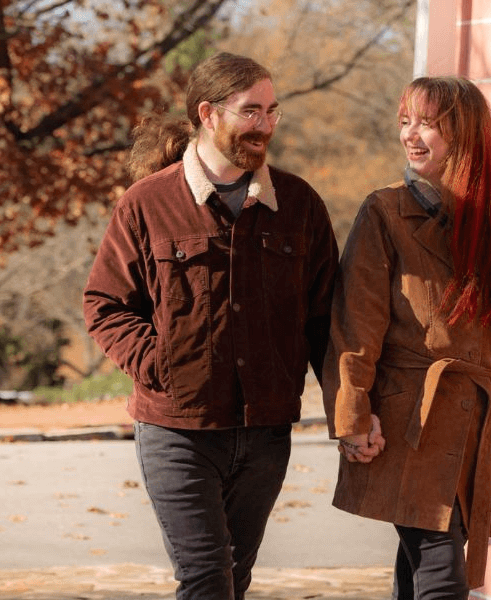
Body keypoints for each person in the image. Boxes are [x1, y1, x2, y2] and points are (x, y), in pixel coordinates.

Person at [83, 52, 338, 599]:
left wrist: (351, 411)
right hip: (178, 430)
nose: (265, 125)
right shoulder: (147, 204)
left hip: (266, 431)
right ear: (208, 113)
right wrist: (161, 364)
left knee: (233, 581)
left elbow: (326, 321)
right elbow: (105, 304)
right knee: (206, 578)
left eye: (272, 111)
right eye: (251, 111)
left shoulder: (299, 205)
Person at [320, 76, 491, 599]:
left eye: (426, 123)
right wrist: (352, 415)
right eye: (405, 121)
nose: (410, 134)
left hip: (488, 427)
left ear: (464, 132)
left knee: (424, 570)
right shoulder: (385, 212)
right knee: (441, 572)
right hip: (409, 424)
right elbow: (355, 327)